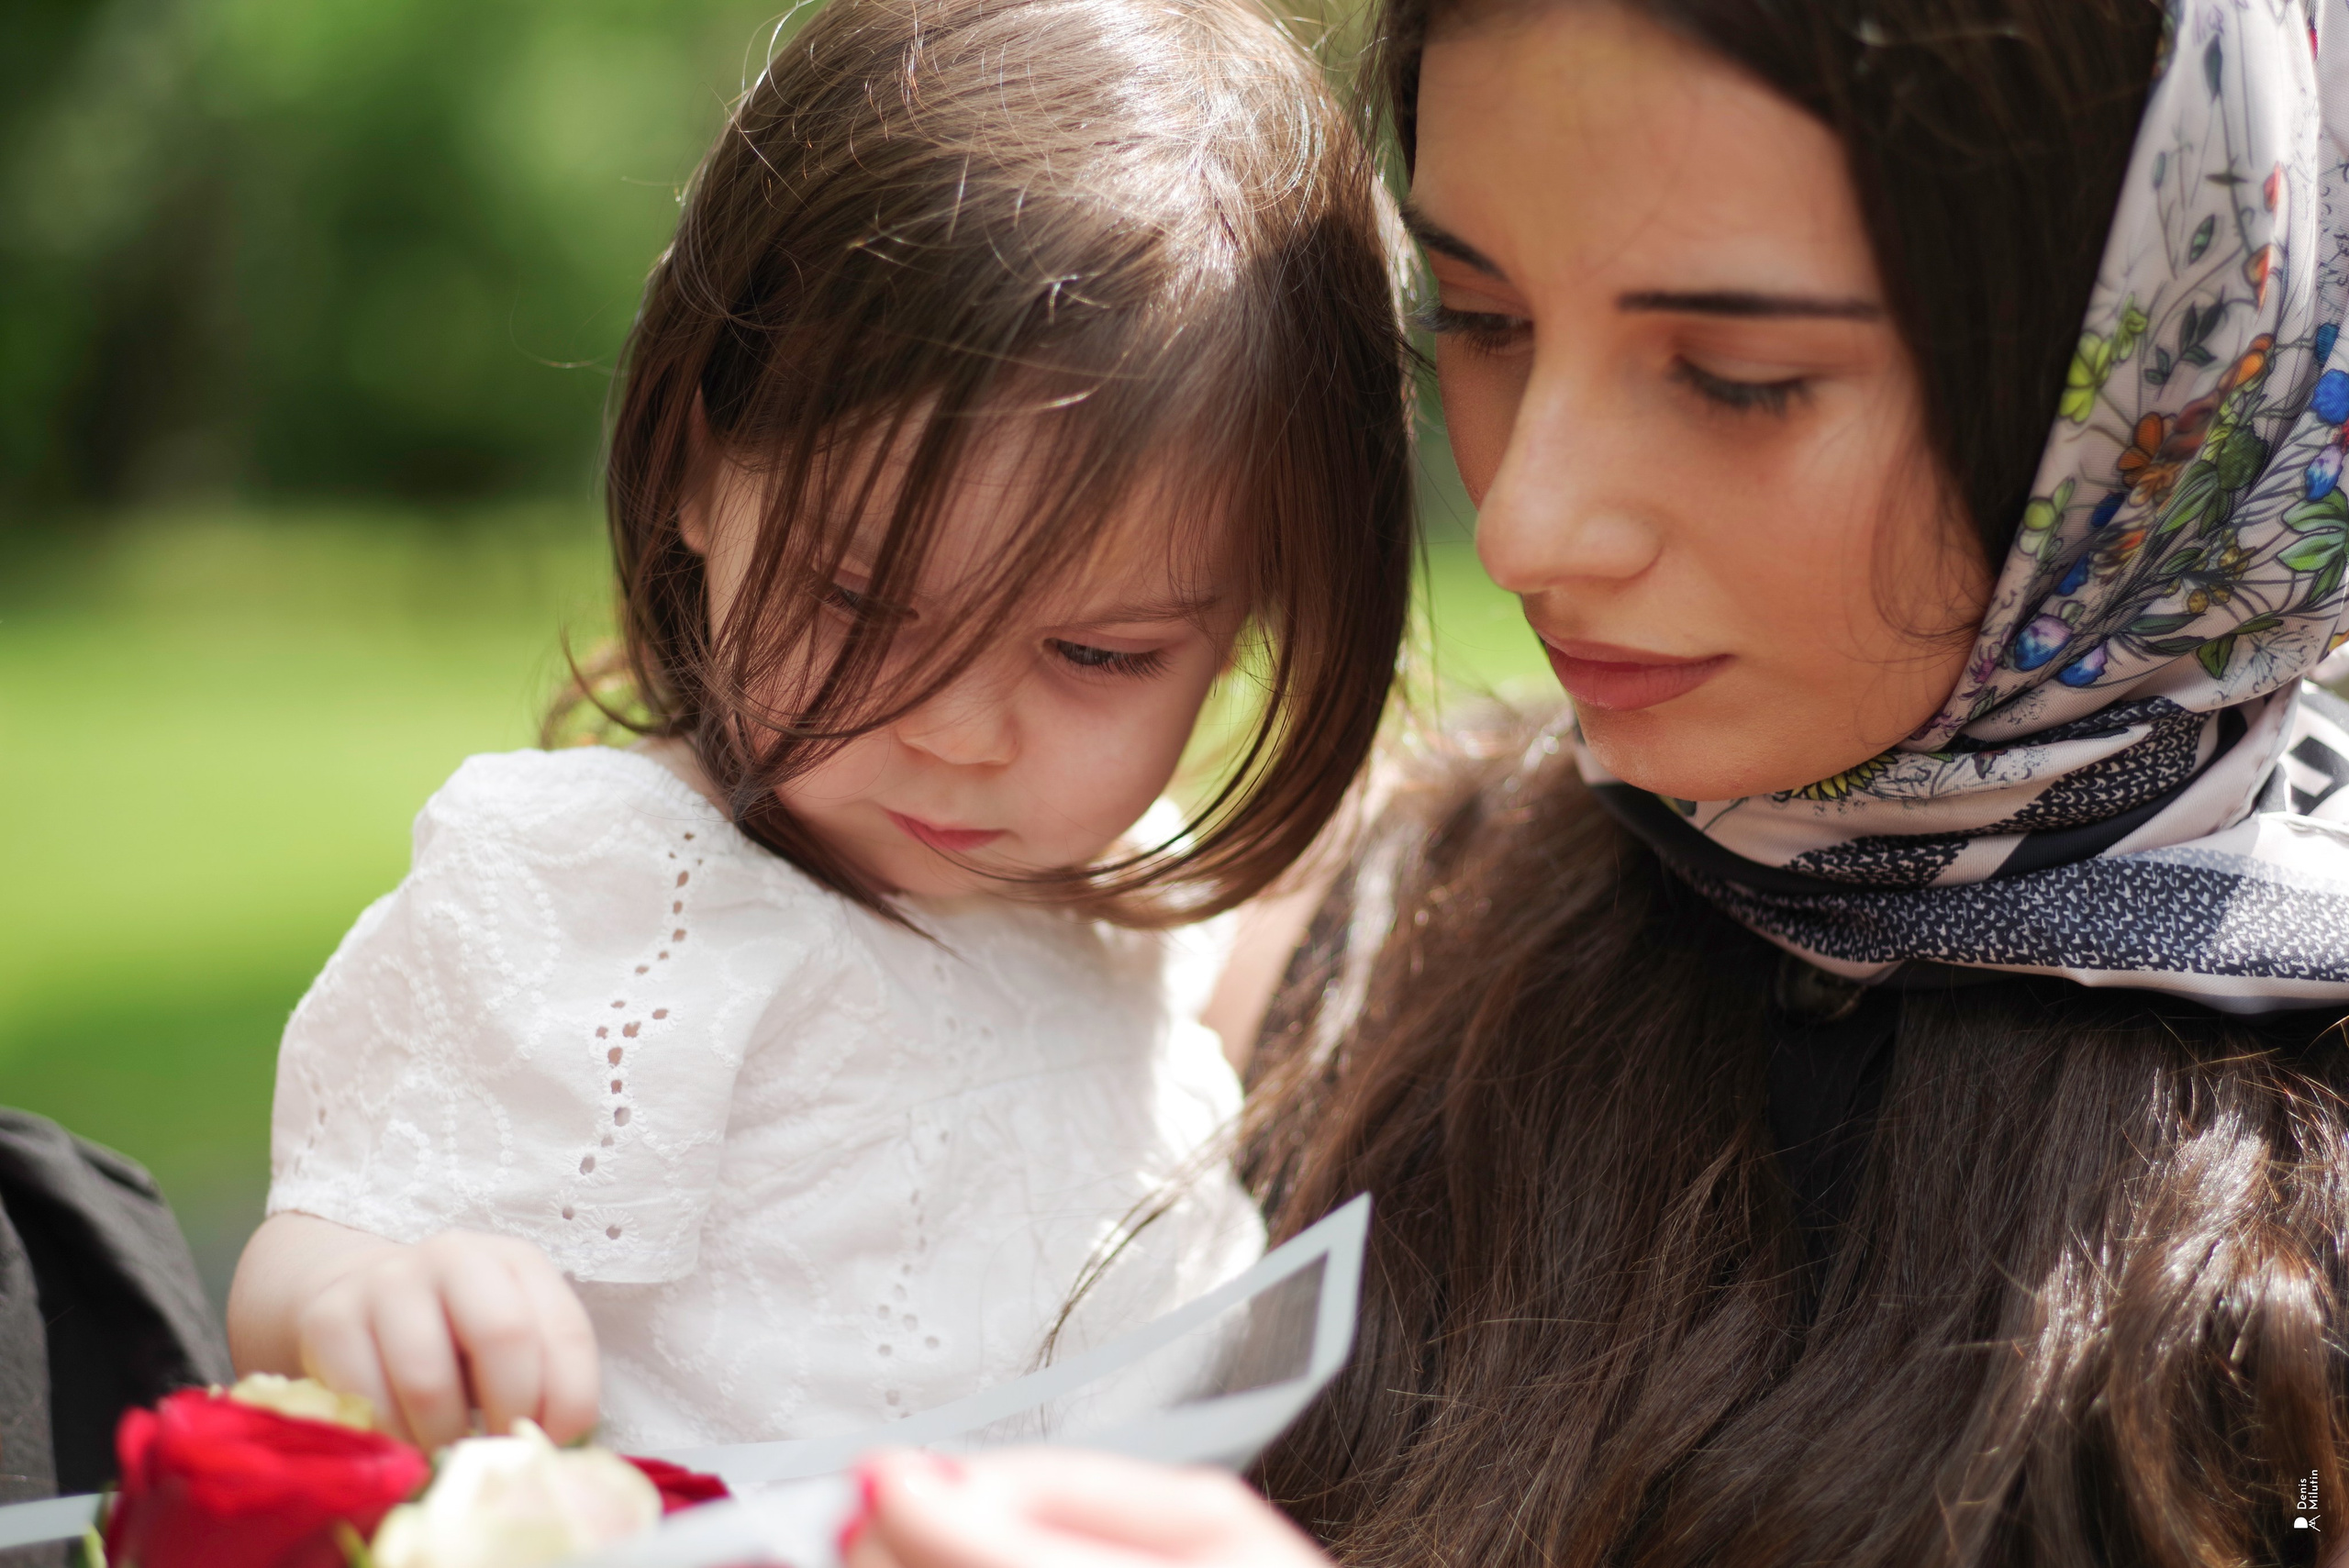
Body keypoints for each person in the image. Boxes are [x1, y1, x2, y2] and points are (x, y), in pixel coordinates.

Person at [839, 0, 2349, 1565]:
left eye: (1734, 374)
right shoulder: (1359, 943)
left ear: (2176, 360)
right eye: (1483, 322)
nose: (1526, 527)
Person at [221, 0, 1414, 1456]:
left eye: (1099, 653)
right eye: (863, 599)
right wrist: (377, 1297)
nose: (965, 730)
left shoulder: (1128, 899)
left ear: (1252, 620)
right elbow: (315, 1247)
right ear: (694, 463)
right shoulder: (611, 896)